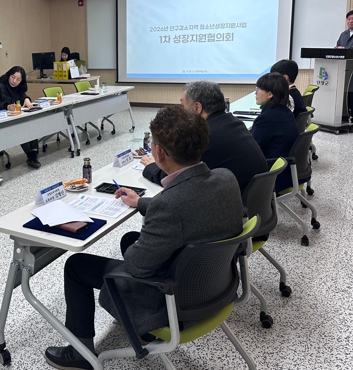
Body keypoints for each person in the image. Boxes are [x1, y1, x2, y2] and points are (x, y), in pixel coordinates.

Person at [44, 105, 243, 370]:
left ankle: (80, 354)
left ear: (158, 153)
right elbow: (192, 206)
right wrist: (140, 203)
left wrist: (140, 245)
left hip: (176, 300)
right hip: (215, 287)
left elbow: (136, 266)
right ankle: (141, 327)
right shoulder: (226, 178)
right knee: (130, 237)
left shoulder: (170, 205)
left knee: (76, 265)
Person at [141, 81, 267, 201]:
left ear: (197, 108)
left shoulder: (205, 136)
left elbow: (179, 177)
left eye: (183, 106)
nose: (181, 111)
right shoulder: (233, 122)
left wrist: (151, 167)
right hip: (254, 199)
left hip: (232, 204)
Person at [251, 73, 298, 194]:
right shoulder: (286, 112)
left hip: (271, 176)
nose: (255, 92)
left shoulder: (267, 119)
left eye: (258, 89)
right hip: (285, 170)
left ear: (270, 94)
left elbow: (252, 150)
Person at [0, 66, 41, 168]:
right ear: (8, 75)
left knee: (30, 122)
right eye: (13, 77)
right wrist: (7, 106)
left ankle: (33, 154)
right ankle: (32, 156)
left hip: (13, 118)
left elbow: (22, 96)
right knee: (22, 126)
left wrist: (27, 99)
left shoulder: (17, 88)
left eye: (18, 79)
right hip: (0, 121)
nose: (14, 81)